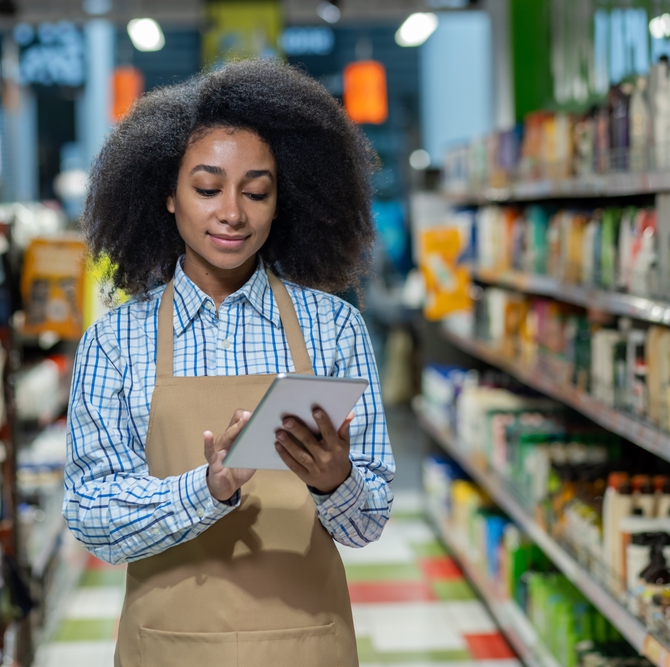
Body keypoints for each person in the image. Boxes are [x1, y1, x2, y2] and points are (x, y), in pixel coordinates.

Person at [63, 59, 395, 667]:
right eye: (208, 188)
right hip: (167, 649)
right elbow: (89, 514)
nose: (233, 213)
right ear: (166, 194)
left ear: (281, 200)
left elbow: (367, 525)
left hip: (307, 647)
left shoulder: (333, 328)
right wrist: (206, 490)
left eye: (257, 191)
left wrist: (335, 482)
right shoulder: (114, 342)